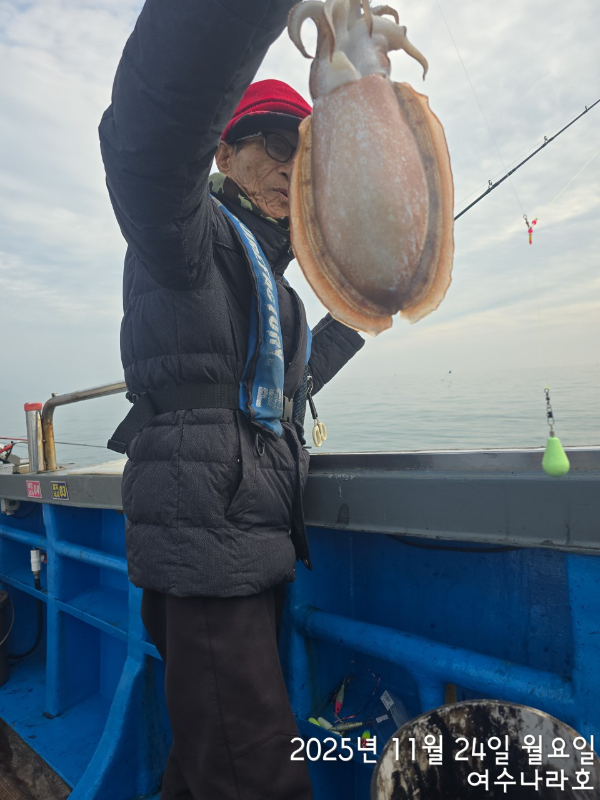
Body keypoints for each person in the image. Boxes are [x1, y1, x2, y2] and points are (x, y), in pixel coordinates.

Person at [99, 1, 365, 798]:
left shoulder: (273, 287)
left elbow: (284, 387)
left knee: (210, 760)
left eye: (307, 153)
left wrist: (355, 315)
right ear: (224, 147)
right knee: (256, 777)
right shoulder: (185, 233)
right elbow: (150, 140)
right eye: (278, 143)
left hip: (249, 542)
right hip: (205, 546)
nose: (293, 165)